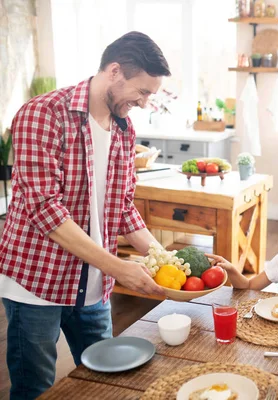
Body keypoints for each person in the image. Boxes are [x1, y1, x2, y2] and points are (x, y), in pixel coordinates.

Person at [0, 31, 169, 399]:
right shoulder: (42, 114)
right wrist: (119, 267)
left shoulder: (124, 128)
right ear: (114, 71)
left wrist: (165, 259)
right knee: (35, 388)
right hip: (36, 283)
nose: (143, 102)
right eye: (141, 91)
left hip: (93, 286)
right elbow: (46, 210)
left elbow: (122, 207)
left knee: (106, 384)